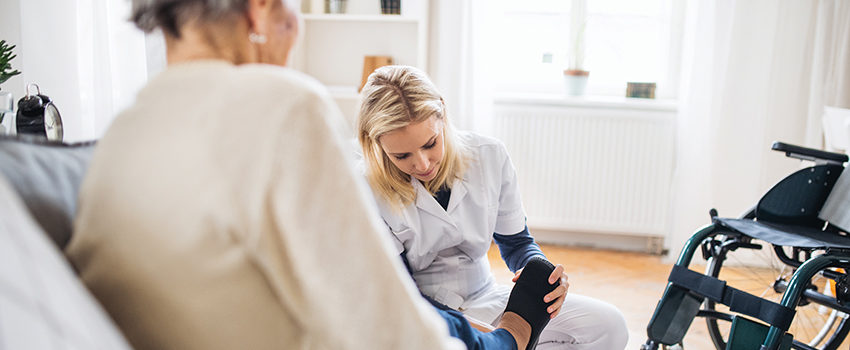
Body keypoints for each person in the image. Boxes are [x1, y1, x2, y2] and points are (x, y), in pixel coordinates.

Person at [65, 0, 553, 349]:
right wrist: (506, 338)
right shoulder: (283, 105)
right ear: (260, 12)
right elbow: (389, 325)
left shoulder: (123, 132)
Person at [357, 65, 630, 349]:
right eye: (402, 156)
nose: (422, 164)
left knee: (610, 326)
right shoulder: (363, 188)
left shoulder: (488, 156)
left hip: (489, 299)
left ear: (442, 115)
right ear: (375, 144)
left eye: (430, 144)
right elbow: (400, 289)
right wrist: (474, 331)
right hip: (423, 311)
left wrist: (541, 278)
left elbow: (518, 244)